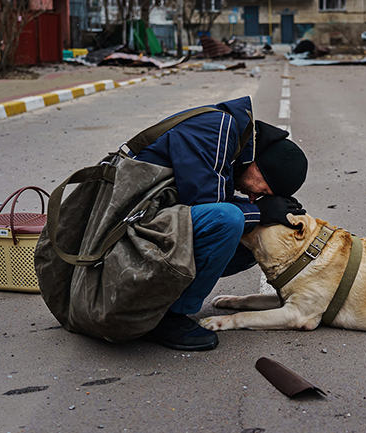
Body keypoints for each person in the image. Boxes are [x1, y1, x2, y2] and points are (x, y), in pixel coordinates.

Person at [131, 96, 308, 351]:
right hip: (126, 227)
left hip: (149, 220)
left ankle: (162, 299)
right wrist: (259, 210)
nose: (253, 196)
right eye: (263, 190)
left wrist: (262, 215)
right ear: (259, 166)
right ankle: (168, 319)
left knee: (253, 231)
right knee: (231, 219)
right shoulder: (217, 129)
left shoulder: (230, 140)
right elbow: (207, 208)